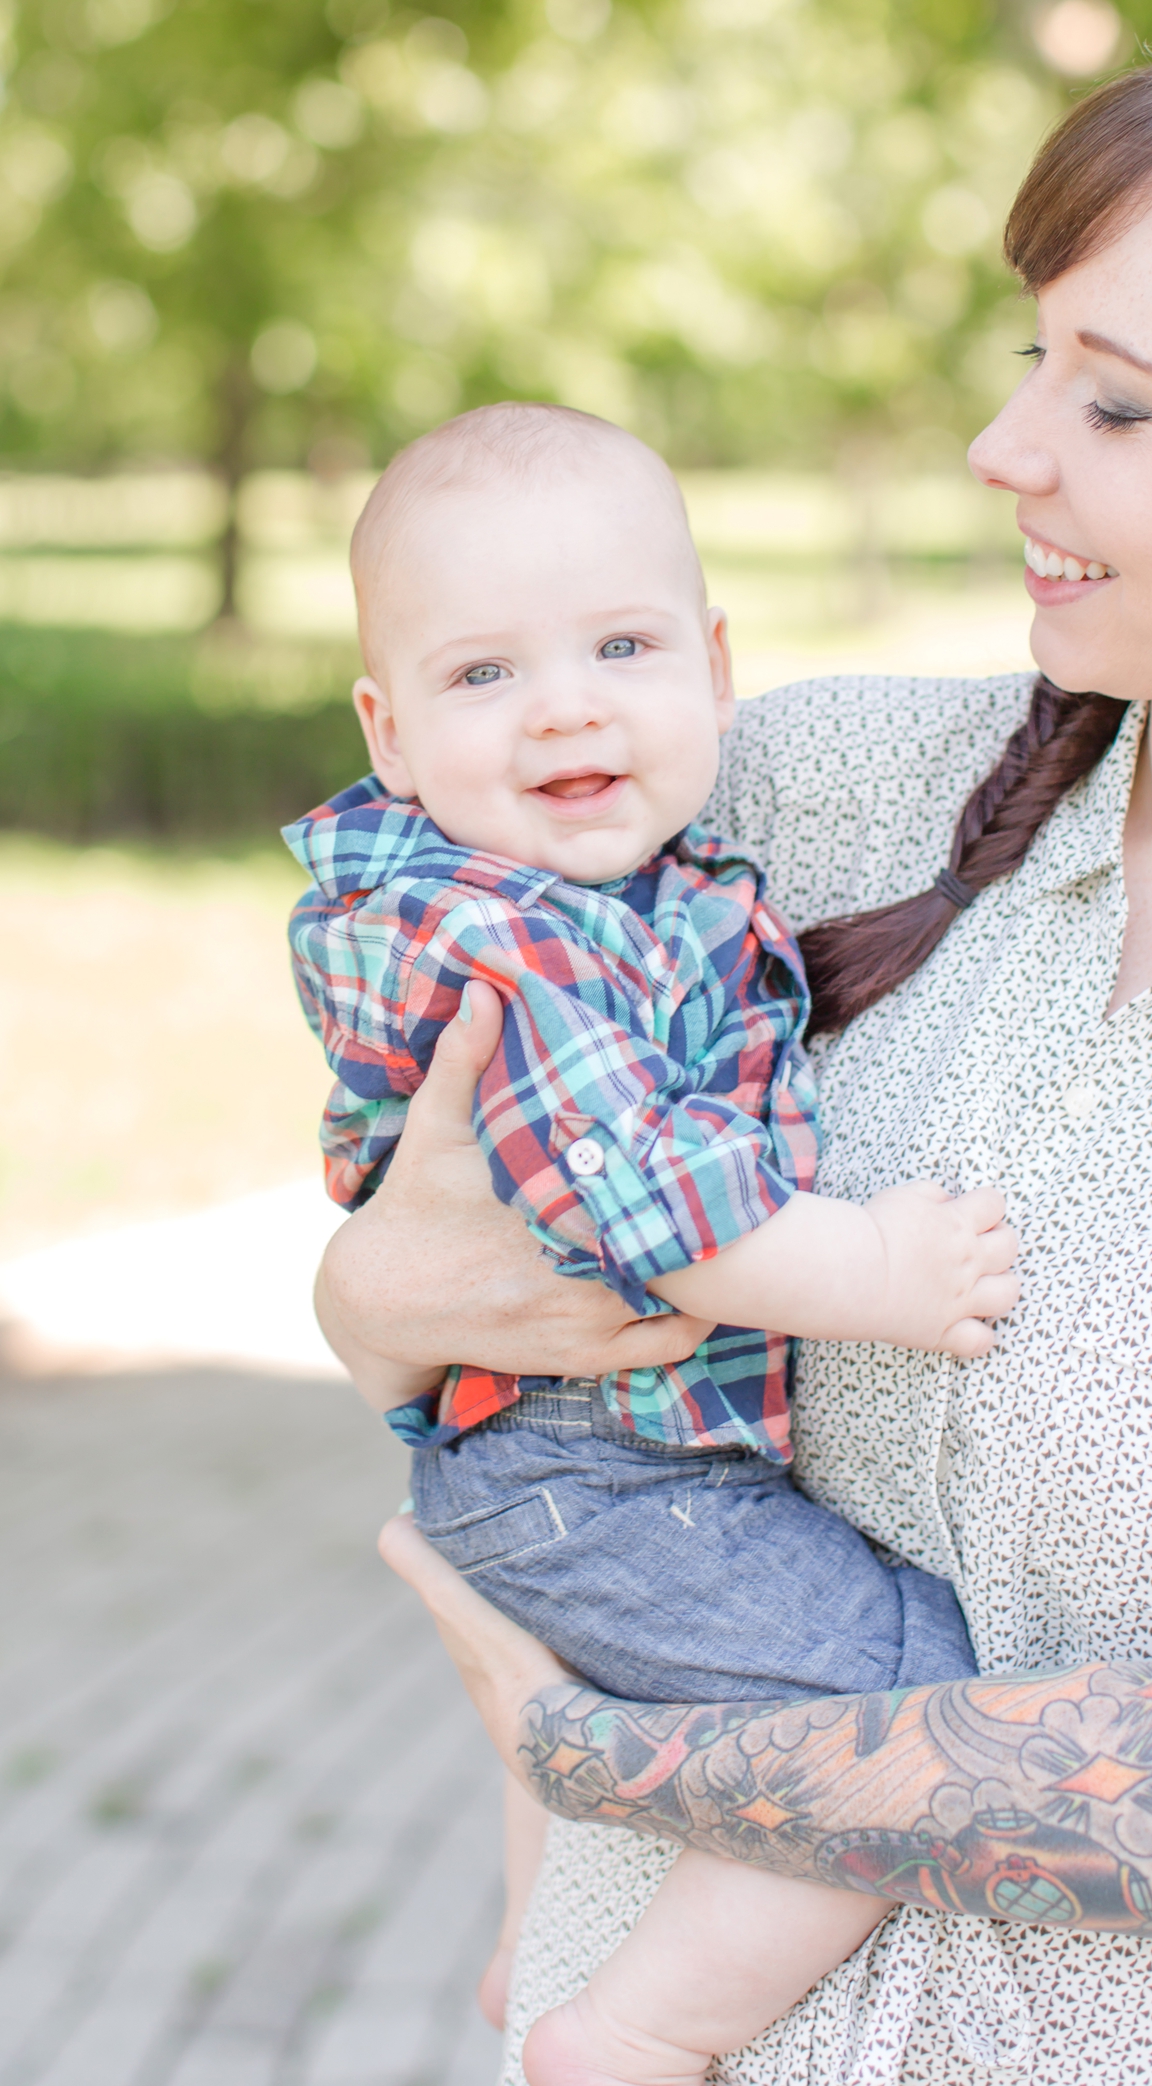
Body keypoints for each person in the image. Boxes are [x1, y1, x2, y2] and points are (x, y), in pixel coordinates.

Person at [318, 9, 1152, 2083]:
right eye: (1031, 355)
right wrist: (369, 1295)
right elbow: (420, 1193)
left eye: (1114, 404)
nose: (1006, 446)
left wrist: (577, 1744)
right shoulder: (800, 794)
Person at [284, 402, 1021, 2086]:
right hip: (592, 1471)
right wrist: (881, 1274)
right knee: (898, 1691)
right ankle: (634, 2026)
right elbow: (665, 1213)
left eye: (621, 645)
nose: (565, 706)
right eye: (484, 676)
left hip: (567, 1468)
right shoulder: (514, 930)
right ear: (387, 731)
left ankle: (528, 1947)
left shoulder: (623, 879)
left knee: (633, 1705)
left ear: (715, 662)